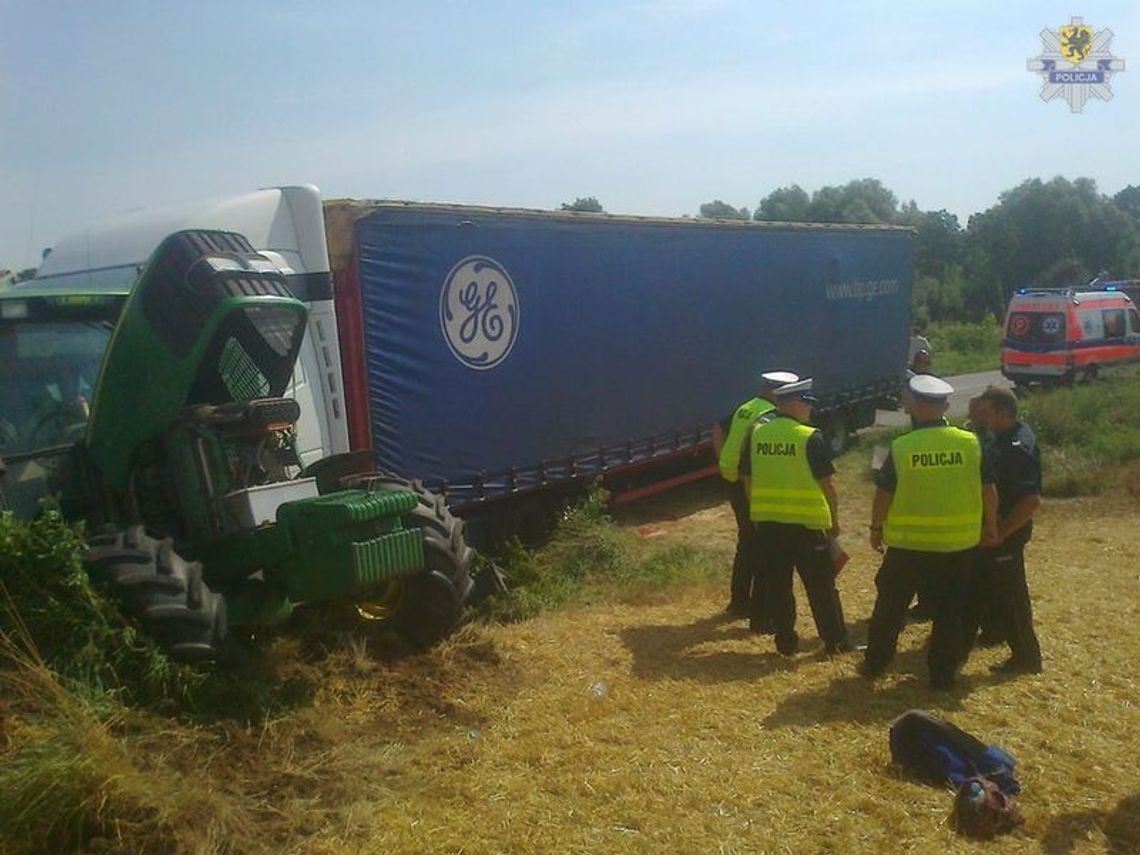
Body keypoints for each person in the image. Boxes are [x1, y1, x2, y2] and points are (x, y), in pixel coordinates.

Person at [859, 375, 999, 689]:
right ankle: (942, 676)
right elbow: (988, 489)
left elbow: (884, 494)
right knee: (950, 613)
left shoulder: (902, 447)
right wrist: (990, 526)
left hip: (908, 546)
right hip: (957, 545)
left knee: (890, 608)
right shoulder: (970, 443)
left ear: (915, 406)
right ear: (946, 406)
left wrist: (876, 528)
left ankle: (875, 664)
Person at [740, 378, 854, 655]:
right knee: (821, 587)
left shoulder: (757, 434)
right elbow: (827, 485)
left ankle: (786, 643)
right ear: (792, 404)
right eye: (807, 403)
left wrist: (756, 510)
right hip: (807, 526)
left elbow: (747, 477)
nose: (810, 409)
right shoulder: (809, 436)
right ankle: (835, 641)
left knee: (778, 586)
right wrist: (834, 522)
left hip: (768, 525)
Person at [962, 386, 1044, 675]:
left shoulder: (1016, 448)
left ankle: (1027, 657)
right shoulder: (1004, 436)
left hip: (1006, 533)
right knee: (988, 586)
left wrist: (1001, 533)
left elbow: (1030, 501)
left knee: (1012, 597)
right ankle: (992, 632)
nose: (981, 417)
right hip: (996, 530)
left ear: (1003, 414)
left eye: (986, 413)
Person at [712, 370, 799, 621]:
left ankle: (739, 602)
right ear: (776, 392)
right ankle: (754, 607)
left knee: (747, 543)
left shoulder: (748, 406)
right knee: (760, 544)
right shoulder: (768, 415)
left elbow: (718, 428)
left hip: (733, 481)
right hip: (749, 485)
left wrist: (723, 460)